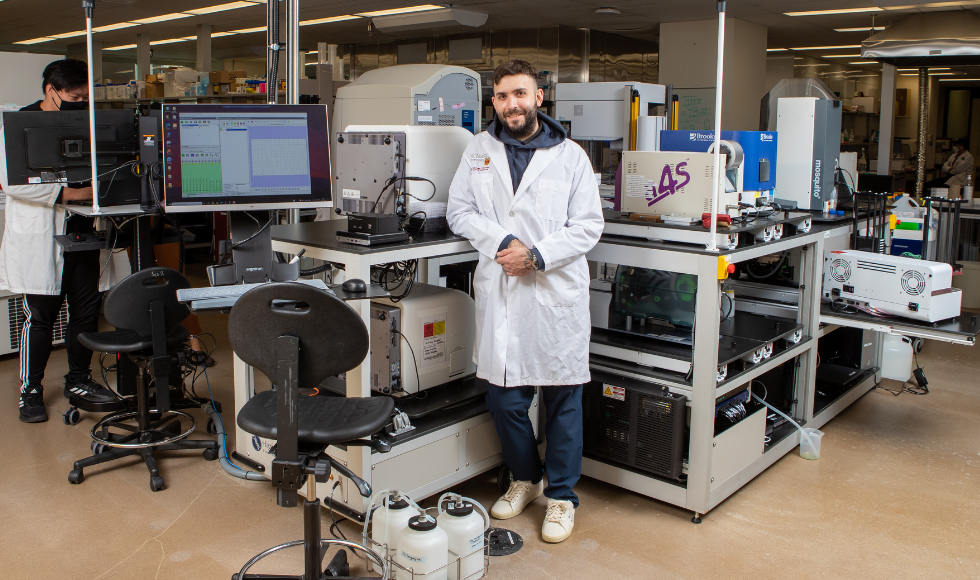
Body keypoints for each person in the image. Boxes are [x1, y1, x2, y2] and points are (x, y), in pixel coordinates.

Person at [446, 59, 603, 544]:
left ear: (539, 98)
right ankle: (525, 478)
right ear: (493, 102)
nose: (510, 104)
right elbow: (459, 210)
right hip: (504, 285)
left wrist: (535, 255)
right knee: (505, 399)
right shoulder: (479, 149)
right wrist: (503, 243)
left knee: (563, 400)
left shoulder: (571, 156)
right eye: (501, 96)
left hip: (553, 290)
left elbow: (589, 225)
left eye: (519, 94)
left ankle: (561, 497)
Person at [0, 59, 126, 423]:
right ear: (50, 91)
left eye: (87, 96)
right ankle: (30, 390)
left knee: (86, 312)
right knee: (40, 317)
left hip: (84, 232)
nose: (82, 103)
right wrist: (74, 194)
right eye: (75, 96)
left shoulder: (89, 123)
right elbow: (12, 182)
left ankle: (79, 379)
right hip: (43, 234)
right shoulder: (18, 124)